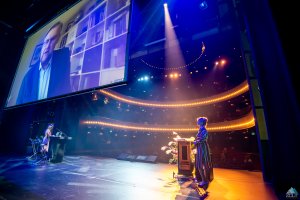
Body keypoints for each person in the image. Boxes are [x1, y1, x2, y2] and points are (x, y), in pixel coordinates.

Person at [16, 21, 71, 105]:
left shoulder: (63, 59)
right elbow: (18, 106)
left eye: (52, 40)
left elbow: (66, 87)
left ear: (57, 40)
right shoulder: (28, 77)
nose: (48, 45)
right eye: (46, 41)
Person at [194, 117, 213, 188]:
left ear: (201, 122)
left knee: (202, 165)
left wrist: (195, 141)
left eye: (198, 121)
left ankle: (204, 180)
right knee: (203, 165)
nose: (197, 121)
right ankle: (205, 180)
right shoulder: (201, 129)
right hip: (201, 147)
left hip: (202, 148)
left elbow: (202, 139)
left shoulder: (204, 130)